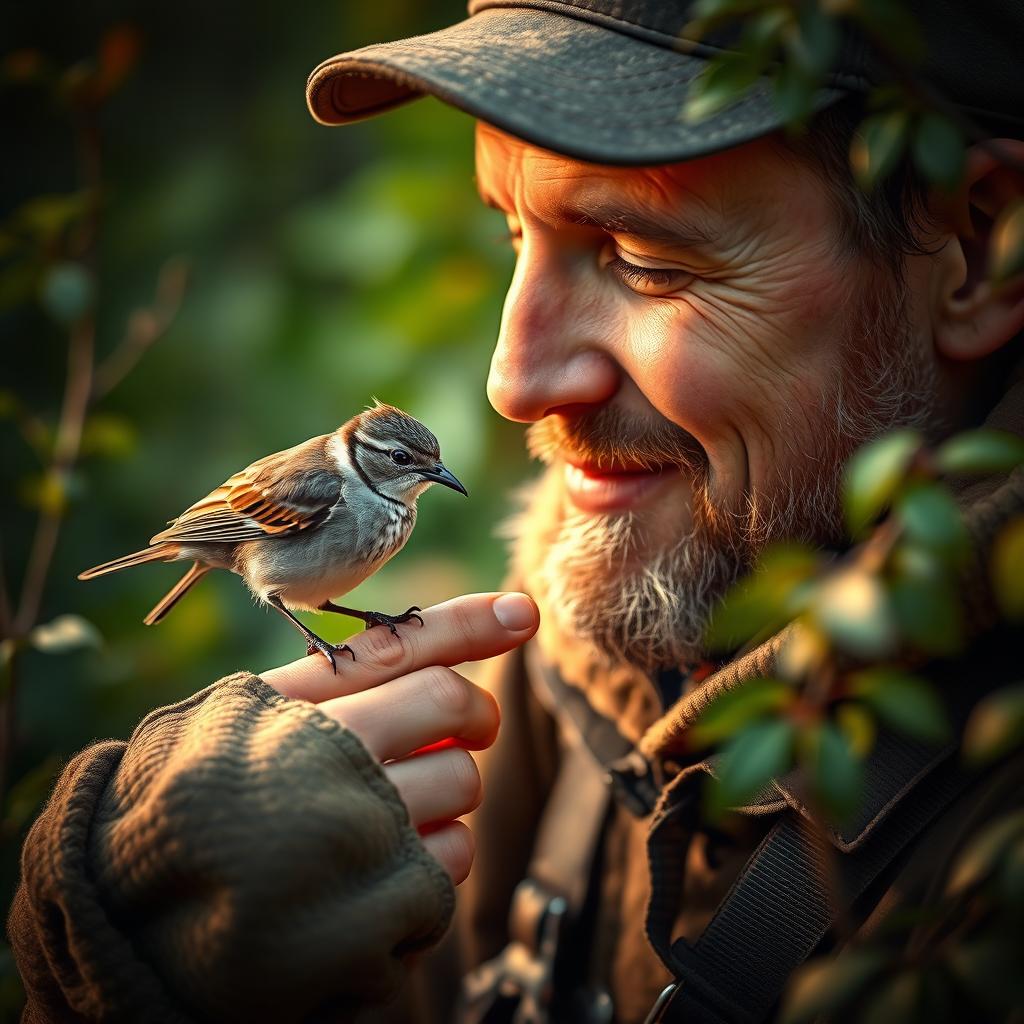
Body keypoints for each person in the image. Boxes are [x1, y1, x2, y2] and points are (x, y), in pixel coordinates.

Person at [9, 1, 1024, 1021]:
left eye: (642, 256)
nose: (513, 378)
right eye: (512, 231)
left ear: (974, 253)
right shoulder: (533, 697)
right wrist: (137, 968)